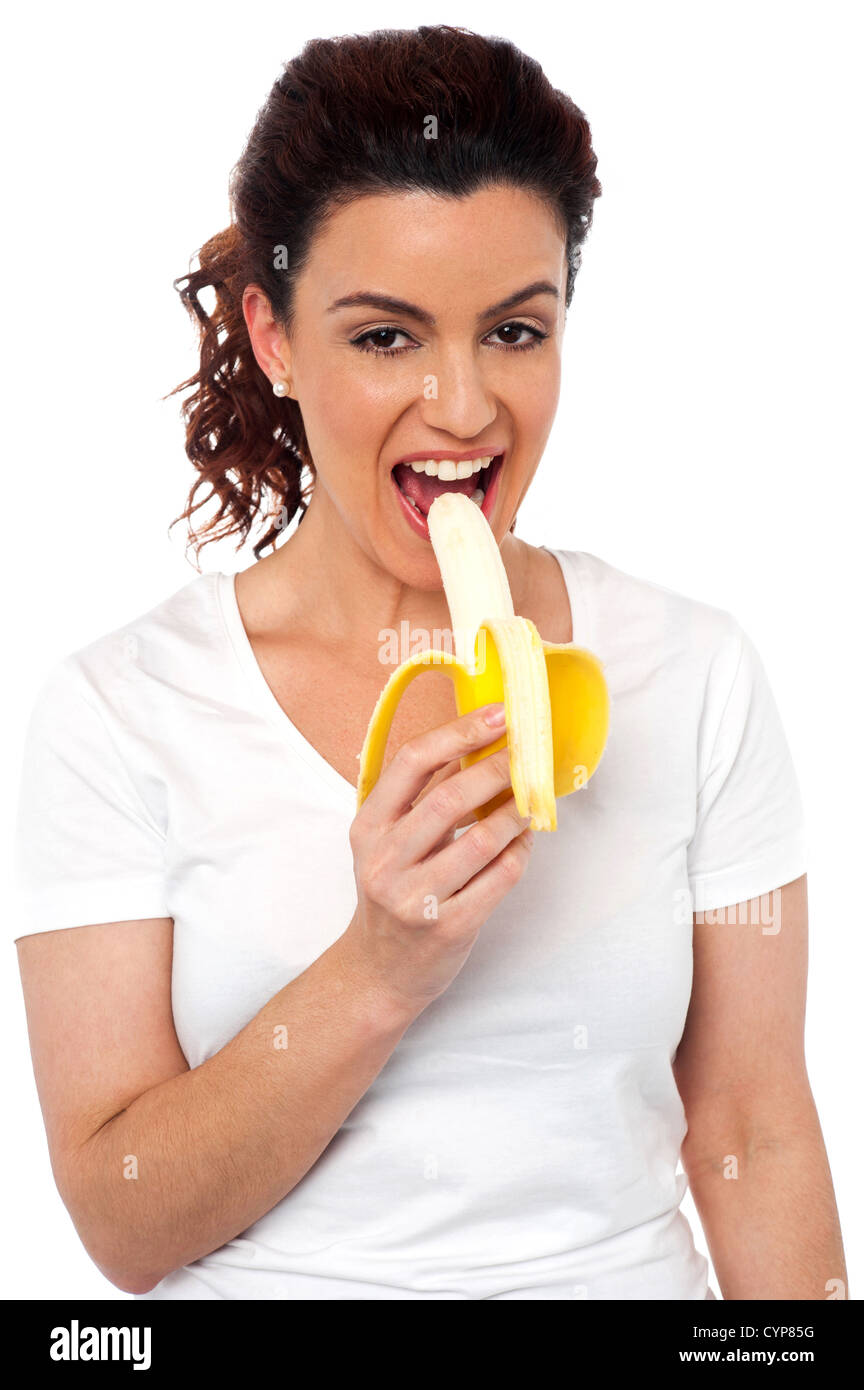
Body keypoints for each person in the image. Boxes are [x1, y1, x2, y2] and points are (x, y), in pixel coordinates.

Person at [12, 25, 847, 1301]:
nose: (461, 408)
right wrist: (379, 965)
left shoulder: (694, 672)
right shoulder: (118, 711)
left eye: (515, 331)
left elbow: (752, 1131)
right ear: (276, 338)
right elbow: (124, 1229)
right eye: (385, 337)